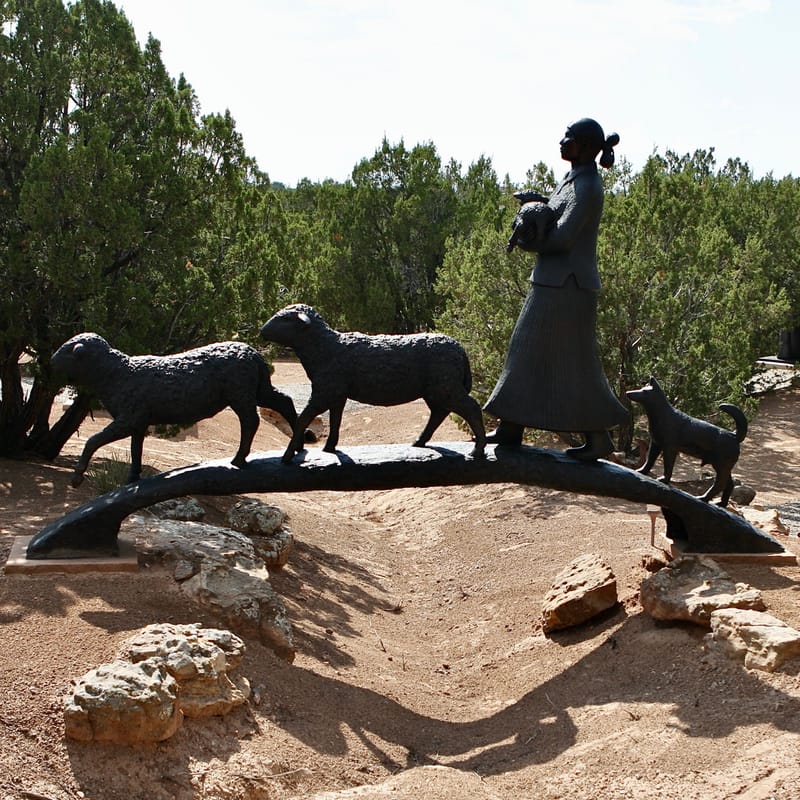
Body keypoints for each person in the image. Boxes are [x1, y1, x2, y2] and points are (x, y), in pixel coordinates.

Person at [484, 118, 628, 460]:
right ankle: (511, 425)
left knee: (575, 361)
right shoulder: (574, 179)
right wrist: (538, 205)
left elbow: (563, 237)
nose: (562, 142)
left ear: (588, 147)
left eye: (570, 138)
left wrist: (528, 239)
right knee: (525, 349)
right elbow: (556, 214)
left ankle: (598, 439)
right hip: (553, 284)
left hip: (568, 287)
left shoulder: (589, 186)